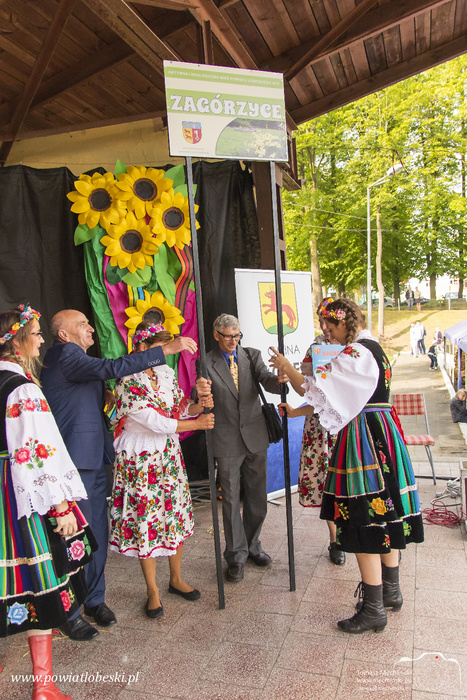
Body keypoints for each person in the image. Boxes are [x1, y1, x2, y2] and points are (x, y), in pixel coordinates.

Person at [41, 309, 197, 640]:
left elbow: (100, 401)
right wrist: (166, 350)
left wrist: (110, 400)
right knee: (72, 538)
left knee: (95, 534)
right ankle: (69, 612)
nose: (90, 328)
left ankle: (94, 600)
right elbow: (112, 368)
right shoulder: (65, 355)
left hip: (96, 458)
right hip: (74, 463)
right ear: (64, 334)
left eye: (89, 322)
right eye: (83, 324)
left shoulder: (82, 361)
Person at [269, 298, 424, 634]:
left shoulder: (356, 353)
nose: (327, 331)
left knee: (363, 516)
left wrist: (287, 366)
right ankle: (390, 592)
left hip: (364, 438)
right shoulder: (375, 349)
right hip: (383, 432)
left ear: (346, 323)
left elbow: (315, 390)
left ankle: (373, 608)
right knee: (385, 512)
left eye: (330, 325)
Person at [0, 304, 96, 700]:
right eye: (36, 333)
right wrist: (60, 506)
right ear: (18, 341)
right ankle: (42, 686)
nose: (41, 340)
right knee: (40, 585)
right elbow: (36, 452)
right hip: (16, 494)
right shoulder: (22, 389)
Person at [109, 322, 215, 617]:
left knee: (172, 515)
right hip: (141, 458)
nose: (167, 353)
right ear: (142, 348)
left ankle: (176, 579)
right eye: (162, 347)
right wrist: (196, 424)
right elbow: (152, 421)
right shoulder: (127, 377)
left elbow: (178, 407)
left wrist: (198, 405)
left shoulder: (165, 373)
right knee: (148, 519)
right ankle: (152, 589)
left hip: (167, 454)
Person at [197, 314, 286, 583]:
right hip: (225, 438)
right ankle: (235, 554)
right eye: (227, 336)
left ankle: (252, 545)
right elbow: (199, 397)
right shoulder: (206, 361)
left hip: (255, 435)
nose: (233, 341)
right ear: (216, 335)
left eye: (237, 336)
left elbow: (266, 380)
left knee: (257, 495)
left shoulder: (250, 355)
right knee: (231, 498)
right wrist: (200, 394)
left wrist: (280, 379)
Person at [295, 298, 344, 565]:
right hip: (321, 424)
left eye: (329, 321)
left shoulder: (354, 347)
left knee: (351, 478)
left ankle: (354, 532)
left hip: (347, 421)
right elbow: (305, 388)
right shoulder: (314, 348)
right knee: (327, 482)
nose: (325, 327)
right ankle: (336, 540)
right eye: (321, 321)